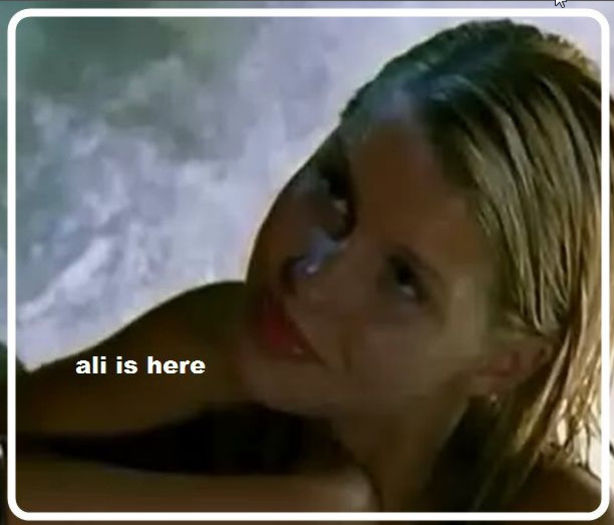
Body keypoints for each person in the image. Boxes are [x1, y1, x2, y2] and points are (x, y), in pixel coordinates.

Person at [12, 19, 613, 515]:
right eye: (335, 190)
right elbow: (16, 417)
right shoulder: (204, 348)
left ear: (504, 361)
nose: (311, 277)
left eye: (403, 279)